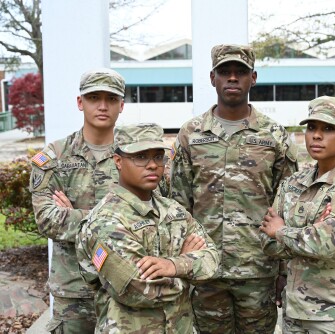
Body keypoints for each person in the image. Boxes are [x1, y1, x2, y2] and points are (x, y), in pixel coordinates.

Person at [170, 44, 298, 333]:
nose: (232, 78)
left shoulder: (273, 134)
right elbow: (177, 203)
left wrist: (283, 270)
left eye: (239, 72)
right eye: (224, 72)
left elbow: (288, 203)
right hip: (206, 268)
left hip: (257, 269)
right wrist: (182, 263)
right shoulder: (192, 133)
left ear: (253, 78)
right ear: (212, 77)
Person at [76, 123, 219, 333]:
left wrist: (174, 265)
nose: (152, 165)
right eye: (140, 157)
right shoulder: (105, 222)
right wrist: (189, 270)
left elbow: (213, 260)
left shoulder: (173, 210)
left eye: (158, 157)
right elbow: (139, 290)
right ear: (118, 161)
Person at [260, 96, 335, 334]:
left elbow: (322, 243)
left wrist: (282, 231)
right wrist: (305, 234)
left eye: (328, 128)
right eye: (311, 127)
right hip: (296, 312)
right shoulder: (293, 183)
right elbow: (266, 242)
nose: (316, 135)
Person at [29, 68, 126, 333]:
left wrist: (74, 215)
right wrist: (117, 219)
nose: (103, 106)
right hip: (73, 290)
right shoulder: (54, 158)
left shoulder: (135, 156)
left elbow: (151, 217)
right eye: (94, 97)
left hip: (125, 287)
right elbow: (47, 221)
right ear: (80, 102)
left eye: (111, 98)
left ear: (122, 105)